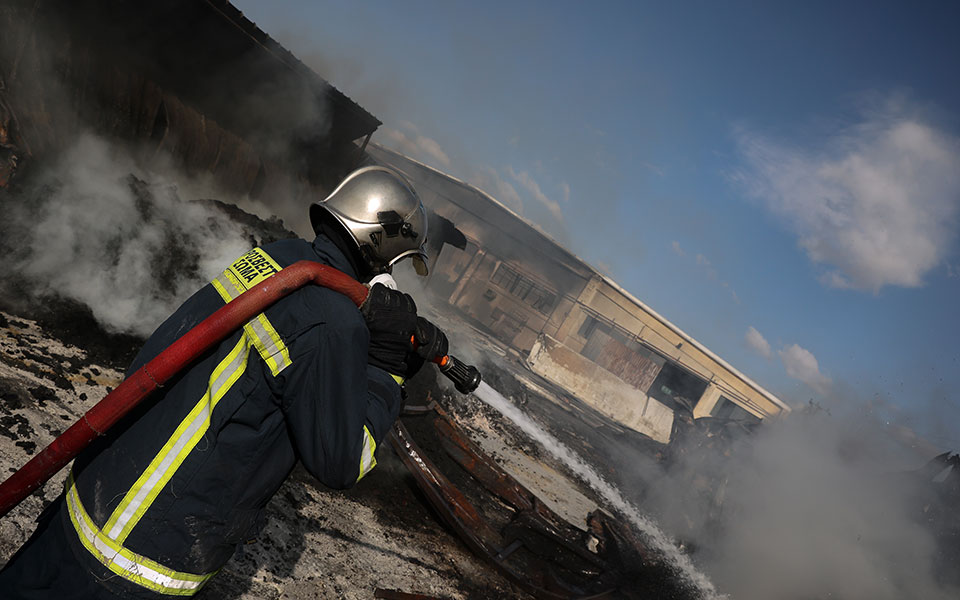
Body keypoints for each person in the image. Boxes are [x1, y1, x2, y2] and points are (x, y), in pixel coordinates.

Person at [0, 165, 447, 598]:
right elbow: (341, 462)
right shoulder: (333, 323)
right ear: (382, 248)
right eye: (401, 263)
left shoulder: (281, 257)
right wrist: (386, 367)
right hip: (140, 550)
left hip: (93, 488)